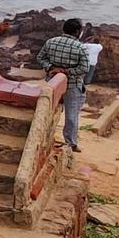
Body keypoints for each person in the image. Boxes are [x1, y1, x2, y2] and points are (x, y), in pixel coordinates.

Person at [38, 18, 90, 153]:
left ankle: (44, 137)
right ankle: (71, 143)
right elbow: (84, 68)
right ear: (77, 31)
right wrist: (68, 71)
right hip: (73, 85)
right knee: (72, 115)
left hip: (53, 83)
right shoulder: (80, 47)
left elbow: (40, 58)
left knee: (50, 111)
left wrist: (51, 68)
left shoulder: (51, 42)